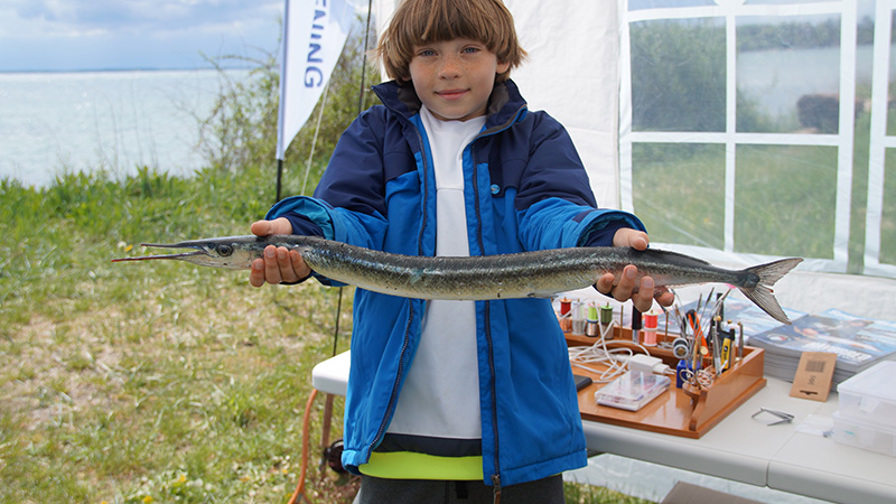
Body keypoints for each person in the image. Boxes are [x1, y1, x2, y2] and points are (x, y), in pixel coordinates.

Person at [248, 0, 673, 501]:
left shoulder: (537, 137)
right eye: (428, 52)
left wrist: (605, 241)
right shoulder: (375, 135)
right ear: (404, 63)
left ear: (502, 58)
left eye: (469, 49)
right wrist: (299, 232)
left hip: (520, 440)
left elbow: (553, 216)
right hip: (397, 433)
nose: (449, 69)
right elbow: (350, 221)